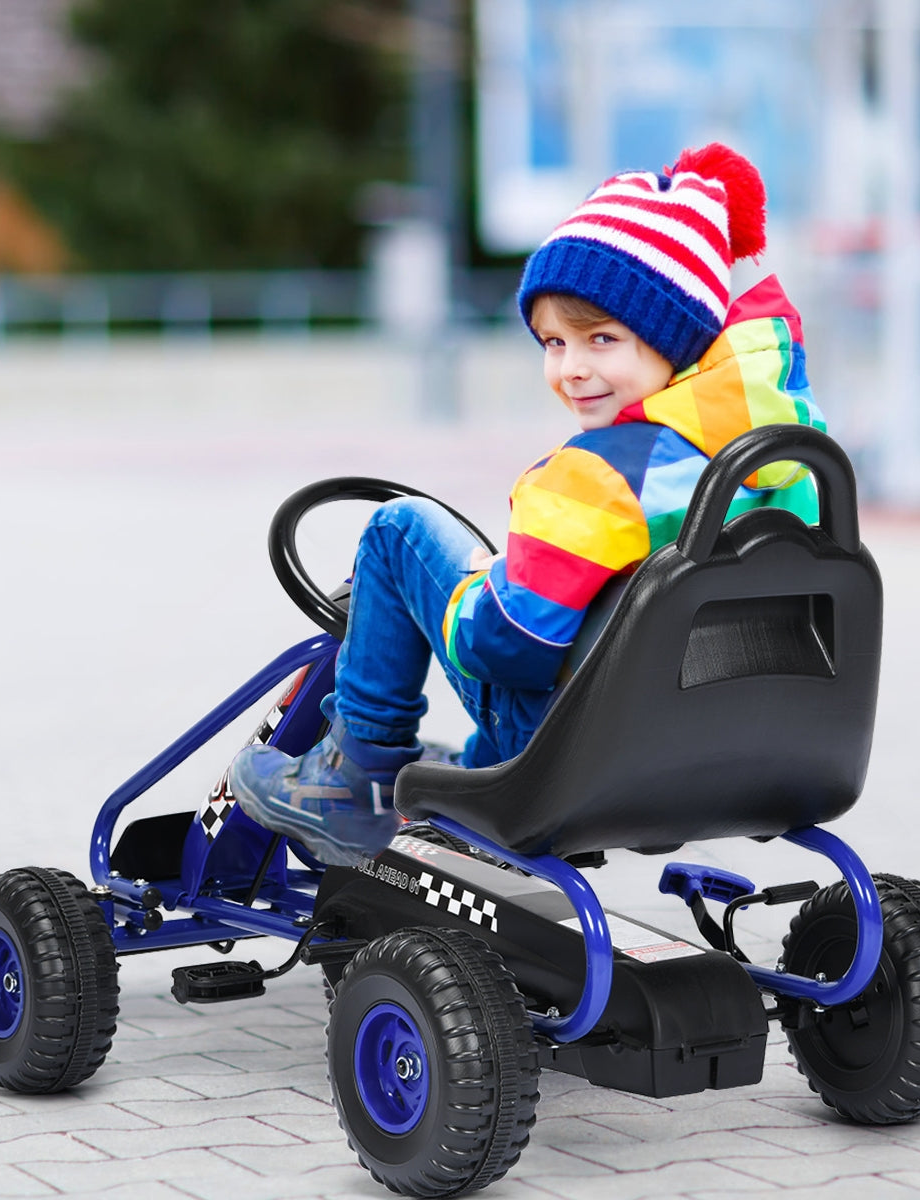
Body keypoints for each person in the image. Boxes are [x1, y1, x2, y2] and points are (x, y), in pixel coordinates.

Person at [230, 142, 826, 867]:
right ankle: (448, 772)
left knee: (399, 532)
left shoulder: (600, 477)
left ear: (676, 339)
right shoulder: (784, 455)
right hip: (730, 744)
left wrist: (489, 584)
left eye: (601, 339)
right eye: (552, 342)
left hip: (573, 750)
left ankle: (356, 780)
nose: (572, 368)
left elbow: (506, 646)